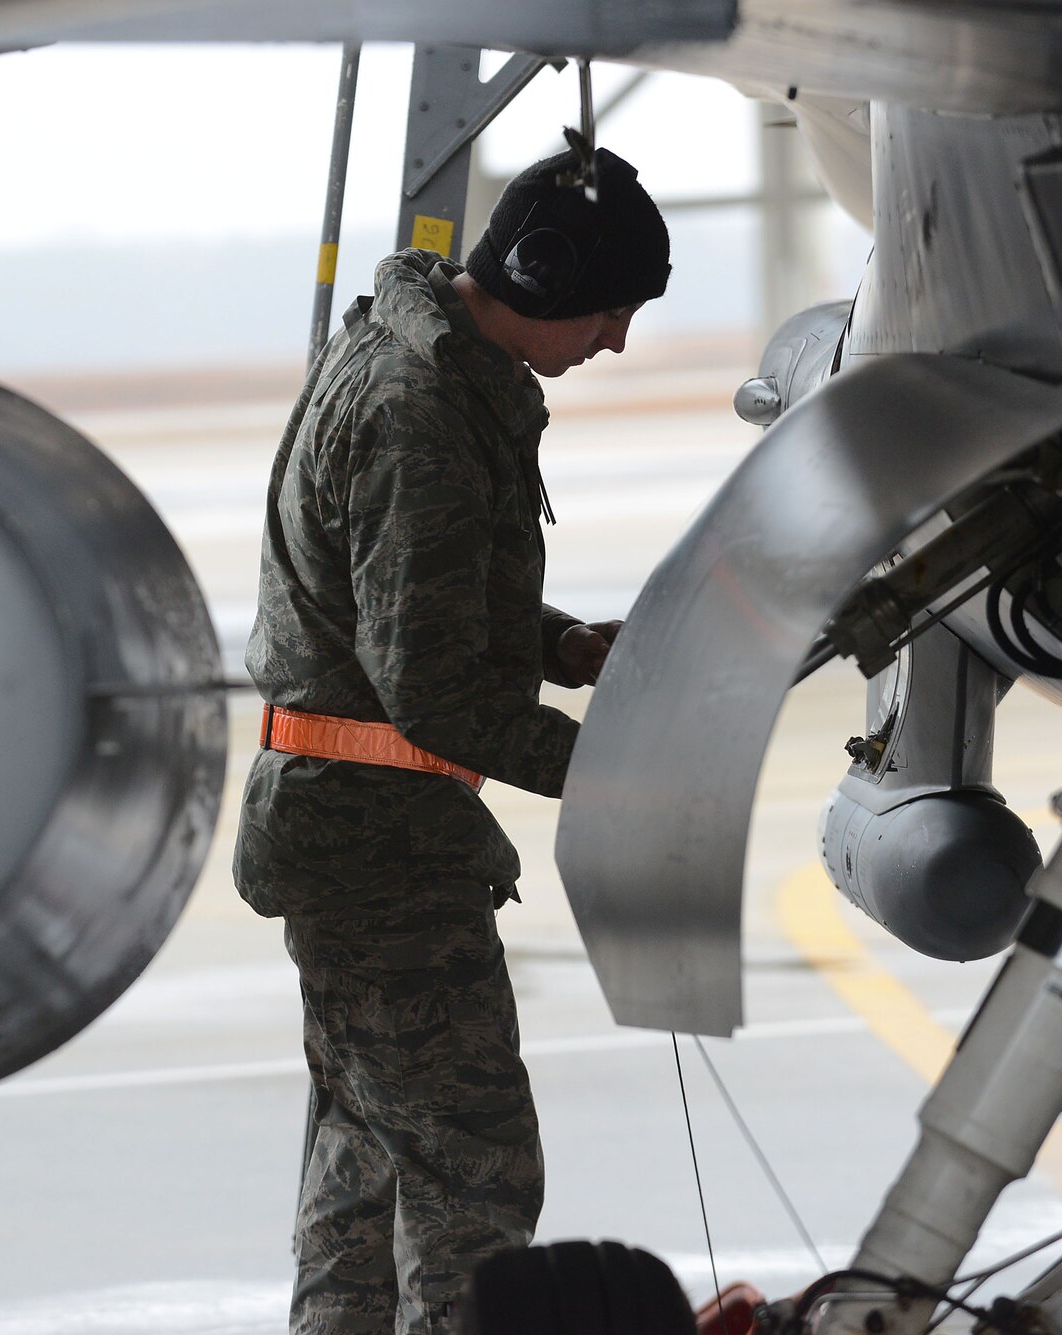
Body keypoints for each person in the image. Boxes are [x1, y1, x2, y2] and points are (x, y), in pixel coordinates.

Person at [234, 141, 672, 1335]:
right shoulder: (417, 412)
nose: (614, 341)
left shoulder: (413, 362)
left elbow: (408, 595)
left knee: (364, 1166)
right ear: (537, 278)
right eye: (610, 311)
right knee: (469, 1175)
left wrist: (562, 643)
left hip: (353, 836)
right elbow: (426, 690)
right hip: (379, 857)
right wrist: (618, 774)